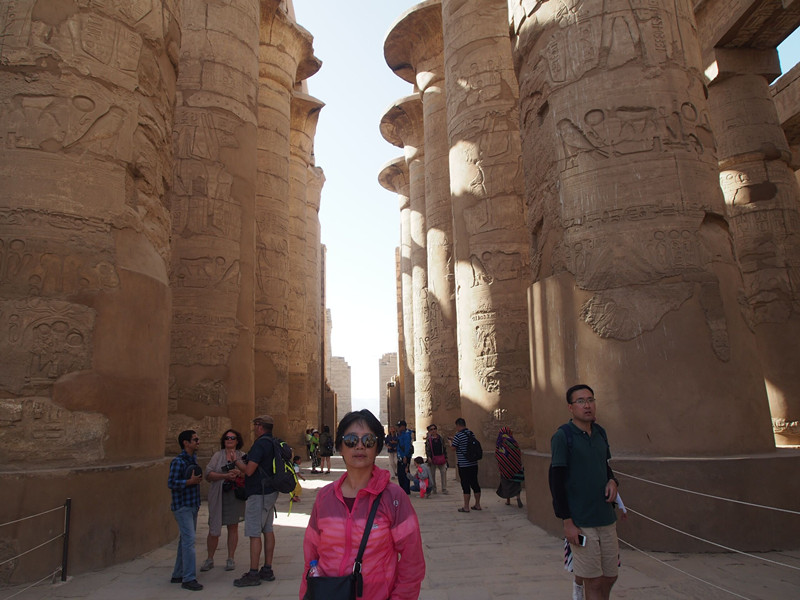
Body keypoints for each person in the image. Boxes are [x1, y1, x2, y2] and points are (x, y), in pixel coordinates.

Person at [300, 409, 425, 600]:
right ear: (340, 447)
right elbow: (311, 558)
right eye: (351, 440)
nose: (359, 446)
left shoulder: (394, 497)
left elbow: (412, 561)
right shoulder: (325, 498)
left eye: (368, 440)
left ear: (377, 447)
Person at [550, 384, 620, 600]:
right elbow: (556, 481)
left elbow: (604, 466)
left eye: (590, 400)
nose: (587, 405)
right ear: (571, 407)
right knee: (594, 580)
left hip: (606, 517)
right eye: (580, 401)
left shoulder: (600, 433)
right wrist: (567, 522)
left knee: (610, 576)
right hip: (581, 521)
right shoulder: (563, 436)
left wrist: (613, 481)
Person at [230, 415, 280, 587]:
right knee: (268, 529)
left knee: (254, 533)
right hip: (270, 491)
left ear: (259, 426)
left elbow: (249, 470)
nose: (253, 428)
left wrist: (236, 462)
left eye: (255, 425)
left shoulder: (260, 444)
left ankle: (253, 573)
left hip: (259, 493)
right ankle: (267, 569)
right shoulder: (273, 442)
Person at [201, 429, 246, 573]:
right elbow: (208, 474)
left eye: (232, 438)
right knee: (214, 528)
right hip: (218, 494)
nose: (229, 440)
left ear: (237, 440)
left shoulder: (242, 456)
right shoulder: (217, 455)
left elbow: (248, 473)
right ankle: (210, 558)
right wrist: (225, 476)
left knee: (233, 526)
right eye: (227, 438)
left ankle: (230, 558)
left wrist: (239, 473)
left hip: (234, 495)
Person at [167, 430, 203, 591]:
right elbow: (171, 483)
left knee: (185, 540)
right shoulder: (178, 461)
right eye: (195, 439)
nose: (198, 442)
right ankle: (189, 578)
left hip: (192, 504)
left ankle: (178, 574)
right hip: (182, 506)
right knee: (189, 541)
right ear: (186, 443)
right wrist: (189, 482)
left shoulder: (192, 459)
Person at [450, 418, 481, 512]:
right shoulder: (471, 433)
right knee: (475, 483)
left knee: (465, 485)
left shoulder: (458, 435)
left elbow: (453, 448)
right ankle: (477, 504)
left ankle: (466, 506)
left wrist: (450, 442)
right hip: (473, 463)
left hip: (464, 464)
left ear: (458, 425)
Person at [495, 426, 524, 508]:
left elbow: (498, 454)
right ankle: (518, 497)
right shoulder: (513, 442)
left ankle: (508, 500)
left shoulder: (500, 442)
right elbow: (518, 453)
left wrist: (503, 463)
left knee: (506, 484)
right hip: (515, 467)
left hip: (505, 468)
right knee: (516, 483)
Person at [424, 423, 448, 495]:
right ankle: (434, 488)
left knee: (443, 472)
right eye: (431, 429)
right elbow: (427, 449)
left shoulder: (440, 438)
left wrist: (446, 457)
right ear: (429, 431)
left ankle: (444, 488)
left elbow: (444, 448)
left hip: (441, 457)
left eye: (434, 429)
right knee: (432, 475)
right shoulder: (429, 440)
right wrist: (429, 457)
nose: (433, 430)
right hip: (432, 459)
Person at [396, 420, 413, 494]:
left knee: (405, 472)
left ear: (403, 427)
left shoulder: (406, 435)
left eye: (399, 427)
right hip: (400, 456)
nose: (398, 428)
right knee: (400, 472)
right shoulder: (400, 434)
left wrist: (405, 456)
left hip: (405, 456)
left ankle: (406, 489)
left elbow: (407, 446)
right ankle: (402, 488)